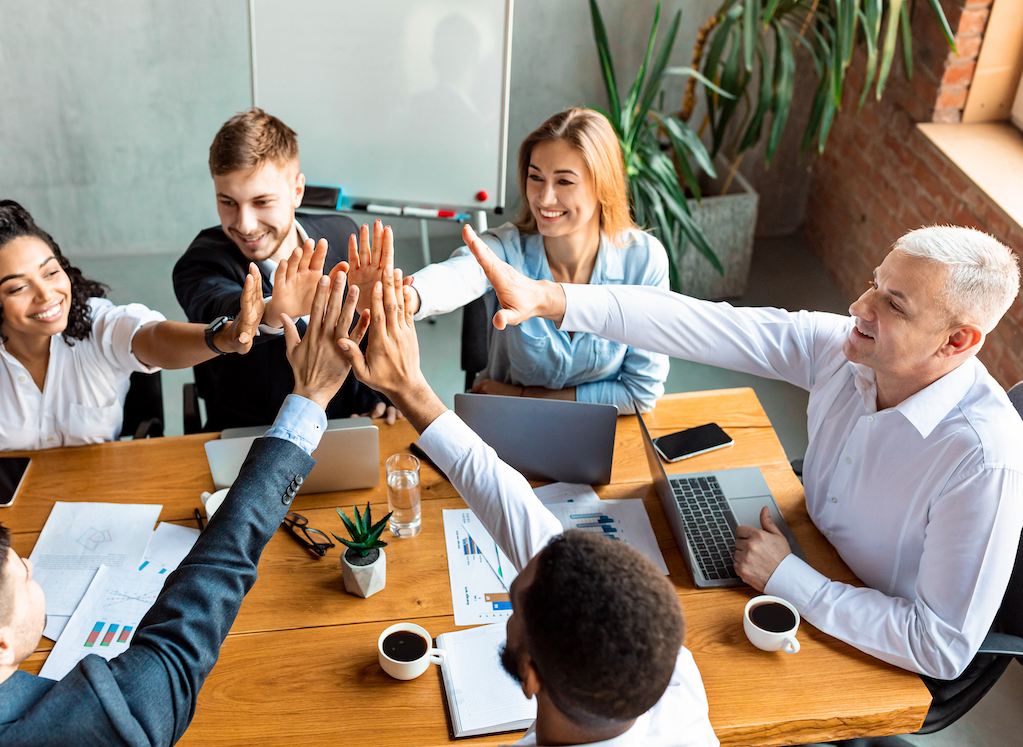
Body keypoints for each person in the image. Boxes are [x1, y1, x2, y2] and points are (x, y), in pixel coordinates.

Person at [459, 221, 1023, 685]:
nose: (859, 305)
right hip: (806, 550)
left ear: (957, 341)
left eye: (893, 305)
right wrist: (552, 298)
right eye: (875, 283)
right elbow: (708, 325)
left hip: (869, 642)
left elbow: (941, 646)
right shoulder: (848, 350)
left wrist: (791, 578)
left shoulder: (982, 459)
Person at [0, 270, 364, 746]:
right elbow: (217, 572)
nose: (30, 566)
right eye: (21, 578)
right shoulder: (107, 716)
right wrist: (310, 399)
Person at [334, 263, 718, 746]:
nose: (521, 574)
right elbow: (511, 505)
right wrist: (408, 389)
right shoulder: (673, 679)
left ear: (531, 677)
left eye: (514, 604)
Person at [361, 107, 668, 412]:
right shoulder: (507, 248)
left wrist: (521, 395)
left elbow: (640, 392)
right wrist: (407, 296)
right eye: (536, 178)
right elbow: (459, 275)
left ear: (602, 184)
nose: (545, 198)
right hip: (505, 421)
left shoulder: (644, 260)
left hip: (594, 426)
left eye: (564, 182)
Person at [0, 199, 266, 456]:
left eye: (51, 272)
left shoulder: (96, 323)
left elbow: (153, 338)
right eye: (17, 287)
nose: (47, 295)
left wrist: (223, 337)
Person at [172, 107, 397, 429]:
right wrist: (270, 312)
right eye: (228, 202)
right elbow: (219, 308)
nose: (245, 225)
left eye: (262, 202)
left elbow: (365, 333)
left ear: (297, 191)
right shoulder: (201, 261)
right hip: (251, 434)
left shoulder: (341, 234)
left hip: (345, 426)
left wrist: (381, 398)